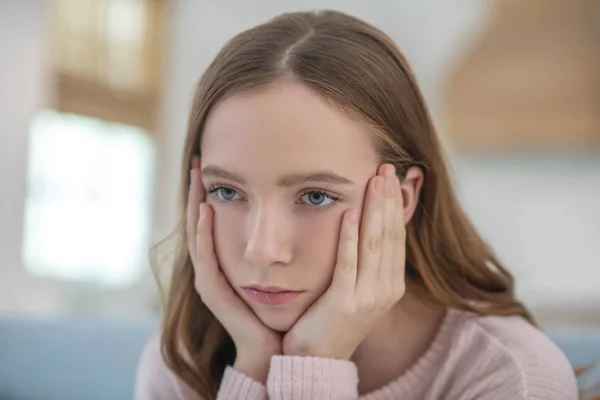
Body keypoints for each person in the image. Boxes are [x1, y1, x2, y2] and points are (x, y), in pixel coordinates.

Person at [135, 10, 578, 400]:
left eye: (316, 196)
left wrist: (314, 365)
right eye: (228, 192)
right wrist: (253, 366)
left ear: (402, 199)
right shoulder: (180, 359)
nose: (262, 249)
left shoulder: (511, 377)